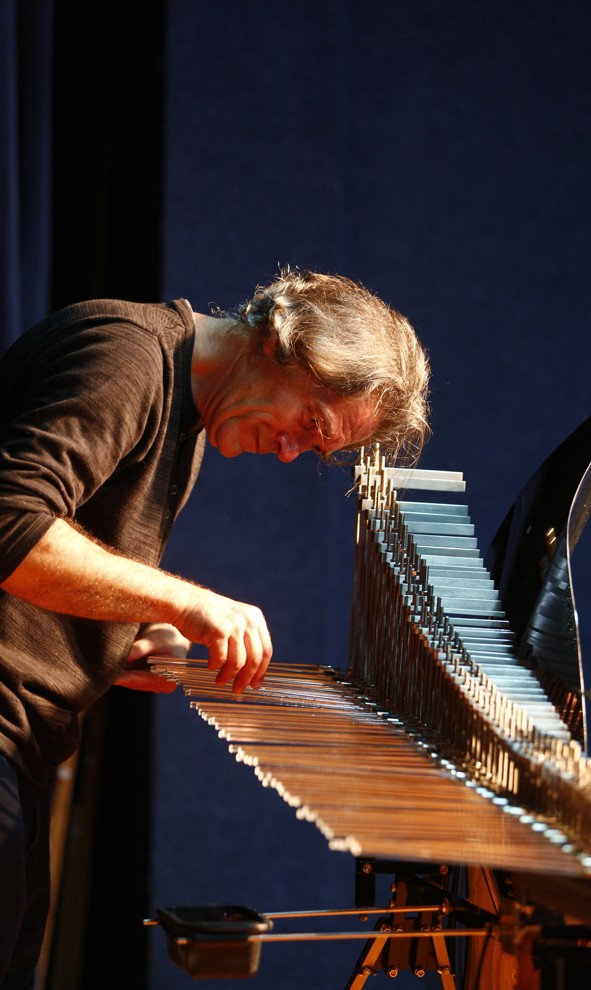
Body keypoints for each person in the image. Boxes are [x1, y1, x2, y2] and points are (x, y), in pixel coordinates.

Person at [0, 267, 430, 988]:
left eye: (316, 448)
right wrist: (188, 605)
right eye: (311, 423)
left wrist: (127, 631)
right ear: (280, 344)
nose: (293, 452)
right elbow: (11, 523)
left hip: (23, 749)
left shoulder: (189, 419)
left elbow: (57, 554)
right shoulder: (130, 358)